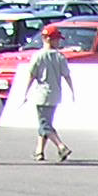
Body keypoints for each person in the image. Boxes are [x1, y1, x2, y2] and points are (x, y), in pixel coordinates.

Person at [24, 24, 74, 162]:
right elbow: (67, 75)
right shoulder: (60, 57)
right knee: (45, 123)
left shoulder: (38, 56)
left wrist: (25, 92)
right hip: (55, 94)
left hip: (42, 94)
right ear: (47, 39)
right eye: (56, 39)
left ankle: (61, 146)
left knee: (44, 124)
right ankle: (39, 151)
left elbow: (31, 75)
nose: (58, 42)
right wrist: (72, 90)